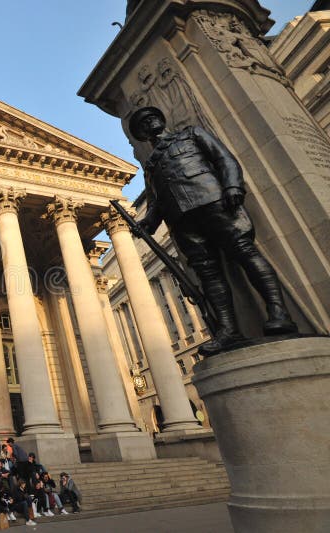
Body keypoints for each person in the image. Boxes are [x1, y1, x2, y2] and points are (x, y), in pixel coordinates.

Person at [127, 105, 297, 355]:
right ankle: (228, 331)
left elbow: (223, 158)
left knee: (245, 252)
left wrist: (232, 186)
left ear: (161, 120)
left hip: (213, 201)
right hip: (182, 220)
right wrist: (148, 223)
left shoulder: (191, 134)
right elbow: (155, 202)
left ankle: (279, 312)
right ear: (141, 134)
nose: (149, 123)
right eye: (143, 123)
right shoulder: (151, 167)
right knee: (208, 274)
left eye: (152, 118)